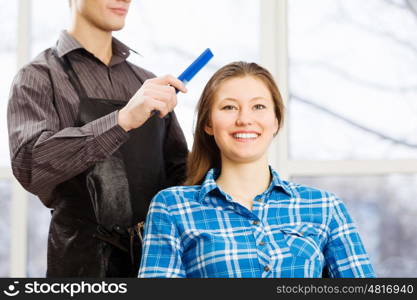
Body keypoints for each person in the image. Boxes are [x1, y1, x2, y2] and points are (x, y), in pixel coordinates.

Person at [138, 61, 376, 278]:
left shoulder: (325, 207)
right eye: (229, 107)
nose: (244, 119)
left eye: (258, 106)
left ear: (276, 121)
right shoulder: (172, 207)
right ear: (209, 124)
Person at [7, 0, 188, 277]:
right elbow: (31, 164)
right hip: (81, 268)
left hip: (155, 265)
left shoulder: (146, 82)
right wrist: (121, 121)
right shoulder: (39, 77)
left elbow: (181, 175)